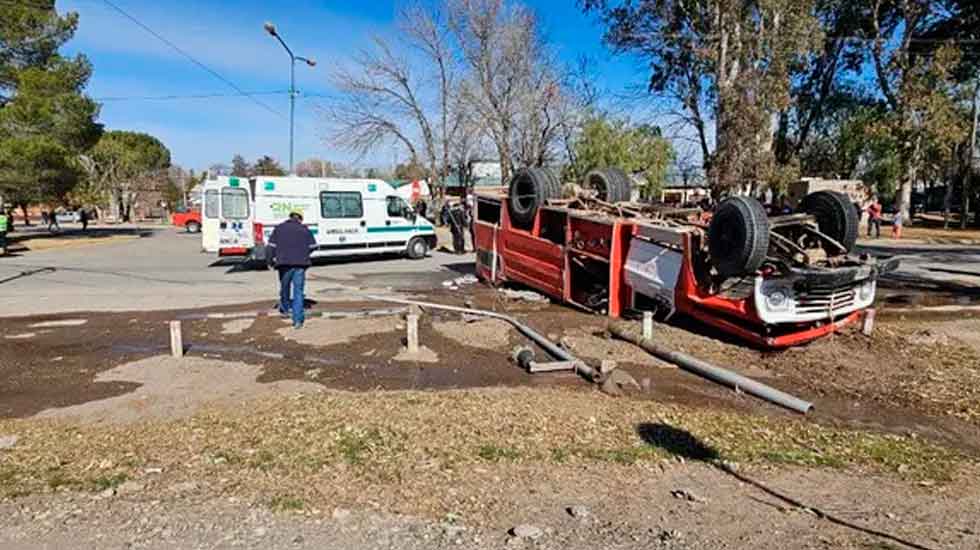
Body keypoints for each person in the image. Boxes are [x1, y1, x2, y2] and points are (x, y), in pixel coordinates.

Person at [267, 211, 316, 329]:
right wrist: (304, 253)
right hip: (300, 264)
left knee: (285, 287)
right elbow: (313, 246)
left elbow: (270, 247)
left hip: (283, 264)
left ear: (290, 217)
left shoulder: (279, 228)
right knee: (298, 292)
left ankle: (284, 309)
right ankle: (297, 321)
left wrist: (269, 261)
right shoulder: (305, 229)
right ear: (300, 219)